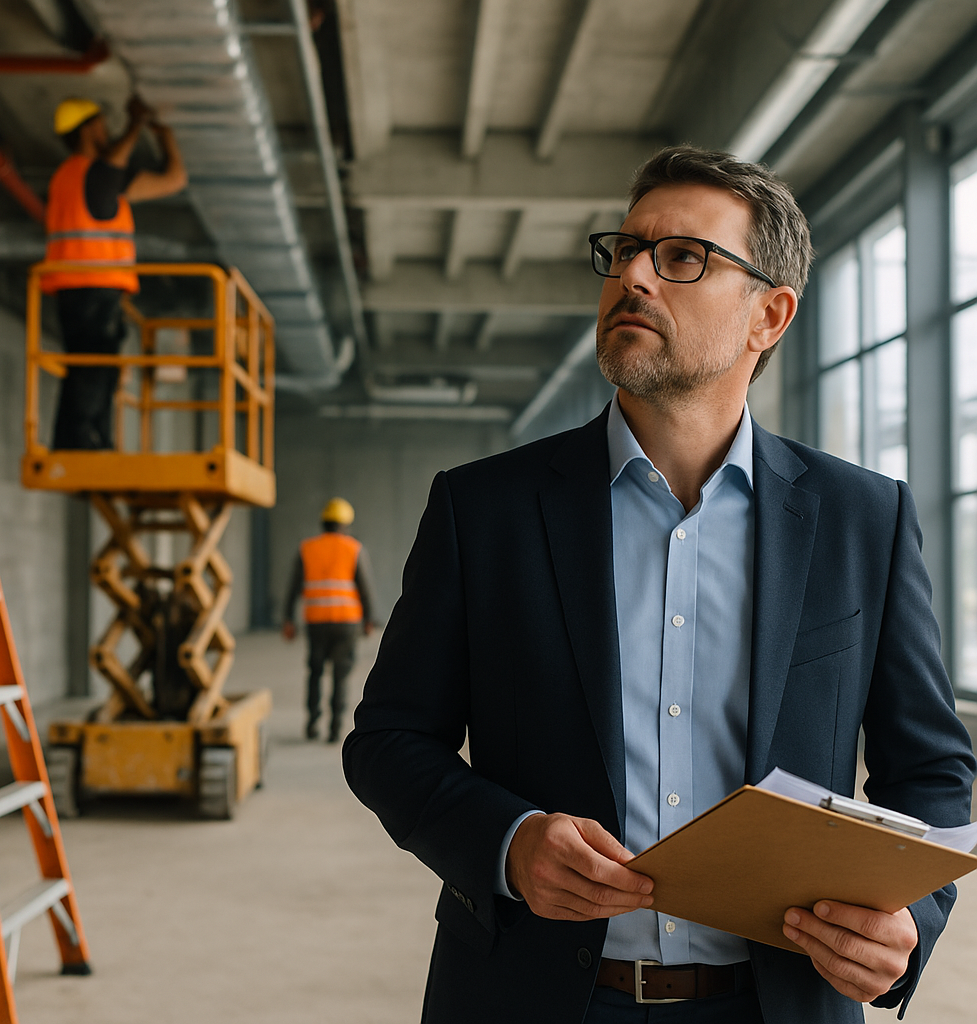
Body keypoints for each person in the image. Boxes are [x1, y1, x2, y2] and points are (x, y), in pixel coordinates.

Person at [343, 146, 976, 1023]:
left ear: (770, 316)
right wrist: (508, 842)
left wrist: (908, 920)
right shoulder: (482, 508)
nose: (634, 275)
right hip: (532, 997)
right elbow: (387, 740)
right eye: (626, 250)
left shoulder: (862, 518)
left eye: (682, 257)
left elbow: (932, 768)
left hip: (777, 1002)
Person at [43, 95, 188, 449]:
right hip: (89, 286)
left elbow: (174, 179)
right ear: (89, 128)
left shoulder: (82, 179)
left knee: (96, 368)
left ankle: (92, 438)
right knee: (93, 368)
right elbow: (110, 166)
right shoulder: (88, 174)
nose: (105, 129)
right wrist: (136, 124)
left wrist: (164, 133)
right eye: (101, 124)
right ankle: (81, 439)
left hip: (84, 288)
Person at [283, 498, 376, 743]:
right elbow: (364, 588)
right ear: (345, 524)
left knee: (315, 672)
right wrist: (369, 619)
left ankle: (312, 724)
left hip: (316, 622)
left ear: (323, 523)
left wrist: (287, 619)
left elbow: (293, 586)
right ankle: (335, 729)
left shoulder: (307, 548)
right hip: (347, 623)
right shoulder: (354, 548)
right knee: (341, 675)